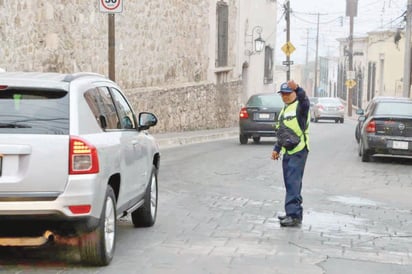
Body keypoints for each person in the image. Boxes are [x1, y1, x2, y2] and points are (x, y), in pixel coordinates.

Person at [271, 80, 310, 227]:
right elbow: (282, 132)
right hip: (287, 150)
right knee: (290, 183)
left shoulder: (300, 107)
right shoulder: (284, 110)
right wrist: (277, 149)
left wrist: (299, 89)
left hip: (299, 150)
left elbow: (305, 101)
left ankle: (293, 216)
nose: (285, 97)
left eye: (288, 93)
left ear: (294, 94)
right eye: (283, 94)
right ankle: (293, 213)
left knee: (293, 182)